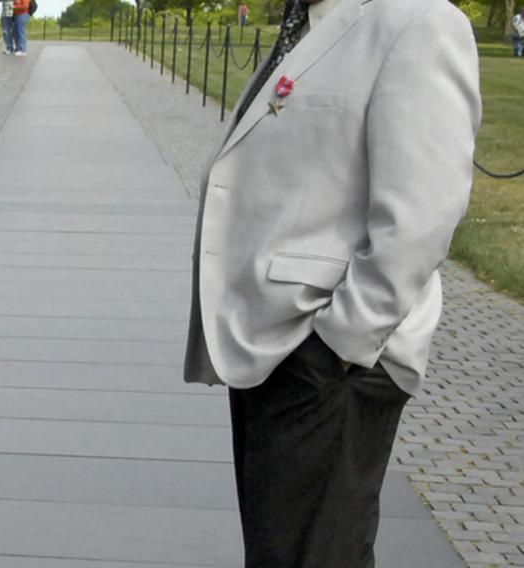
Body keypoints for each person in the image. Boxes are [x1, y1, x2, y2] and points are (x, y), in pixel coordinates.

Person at [184, 0, 481, 566]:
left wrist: (338, 345)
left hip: (329, 359)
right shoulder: (310, 21)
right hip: (271, 345)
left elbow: (420, 219)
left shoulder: (420, 22)